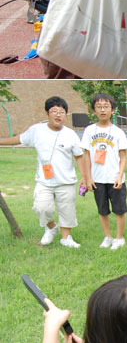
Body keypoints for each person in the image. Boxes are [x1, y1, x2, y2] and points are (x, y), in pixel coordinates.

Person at [0, 96, 84, 248]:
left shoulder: (70, 134)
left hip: (66, 180)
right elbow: (19, 139)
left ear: (66, 115)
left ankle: (66, 238)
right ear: (47, 114)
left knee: (67, 210)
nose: (58, 115)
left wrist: (85, 177)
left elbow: (79, 156)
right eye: (54, 111)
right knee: (41, 207)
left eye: (61, 112)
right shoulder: (37, 130)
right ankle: (51, 228)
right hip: (44, 180)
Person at [81, 93, 127, 249]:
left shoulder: (118, 132)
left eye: (106, 107)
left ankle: (119, 238)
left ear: (113, 110)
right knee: (102, 210)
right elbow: (86, 156)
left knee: (119, 210)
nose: (103, 110)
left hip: (115, 178)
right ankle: (107, 236)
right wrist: (88, 178)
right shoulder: (89, 131)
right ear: (94, 110)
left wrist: (119, 176)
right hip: (97, 179)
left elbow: (123, 157)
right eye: (99, 107)